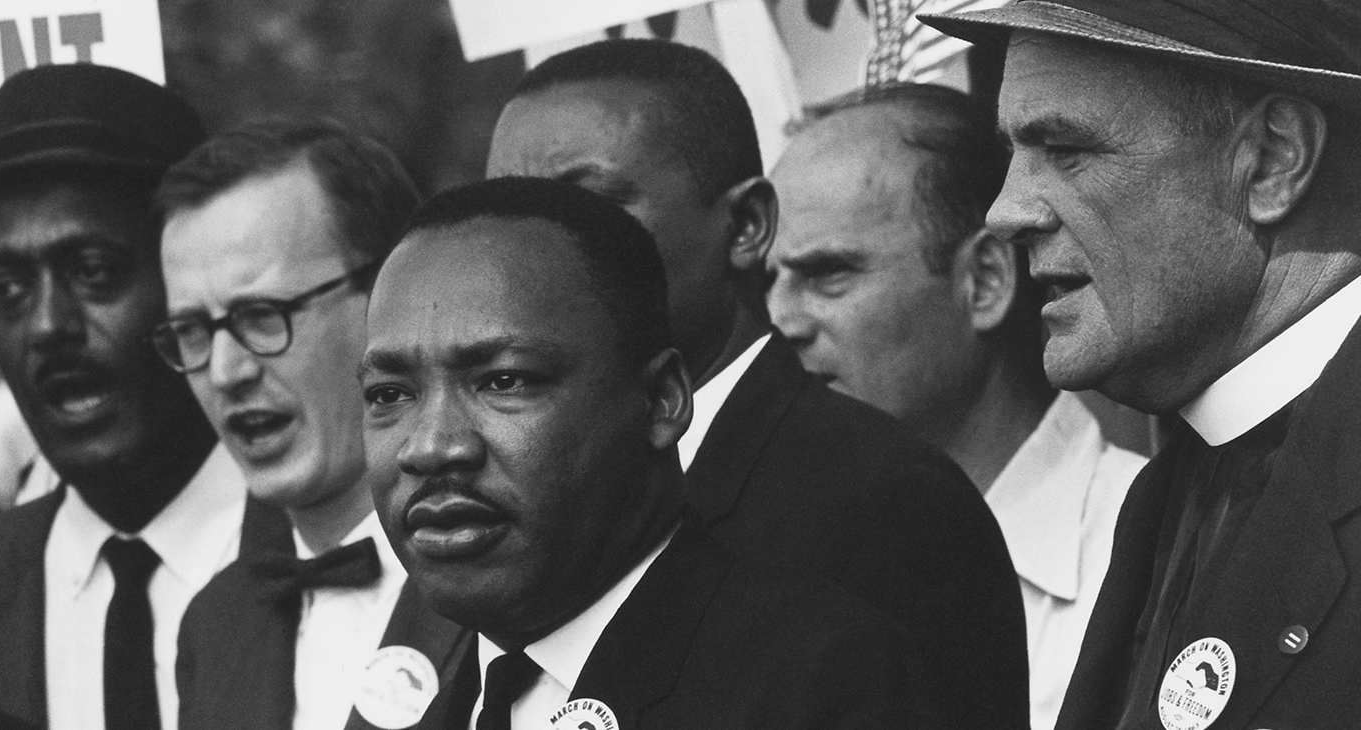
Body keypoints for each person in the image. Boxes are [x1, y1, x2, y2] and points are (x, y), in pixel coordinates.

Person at [486, 38, 1028, 730]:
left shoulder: (885, 503)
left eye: (587, 211)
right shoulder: (503, 495)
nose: (524, 258)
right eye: (501, 215)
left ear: (745, 225)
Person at [921, 1, 1361, 728]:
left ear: (1275, 159)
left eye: (1067, 149)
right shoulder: (1180, 483)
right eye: (1011, 154)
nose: (1005, 211)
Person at [363, 176, 927, 730]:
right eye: (389, 395)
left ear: (661, 401)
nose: (432, 446)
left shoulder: (823, 683)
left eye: (505, 381)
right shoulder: (419, 699)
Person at [766, 82, 1146, 730]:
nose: (779, 320)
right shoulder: (763, 564)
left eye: (829, 274)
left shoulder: (1155, 545)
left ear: (987, 281)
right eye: (768, 281)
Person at [0, 64, 277, 730]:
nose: (48, 325)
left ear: (192, 286)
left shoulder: (341, 550)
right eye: (8, 287)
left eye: (94, 271)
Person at [157, 117, 466, 730]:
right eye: (192, 331)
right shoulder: (217, 625)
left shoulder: (518, 576)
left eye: (262, 315)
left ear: (390, 293)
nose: (225, 371)